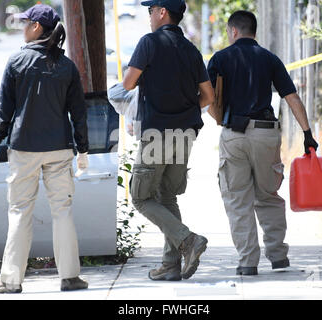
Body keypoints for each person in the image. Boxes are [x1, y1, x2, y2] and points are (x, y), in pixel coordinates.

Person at [0, 4, 89, 293]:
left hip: (24, 148)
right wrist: (83, 151)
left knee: (19, 211)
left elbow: (4, 109)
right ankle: (69, 277)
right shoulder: (66, 66)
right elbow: (78, 113)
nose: (22, 27)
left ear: (36, 28)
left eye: (26, 22)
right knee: (63, 211)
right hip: (59, 148)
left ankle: (11, 280)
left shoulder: (17, 60)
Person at [207, 10, 318, 276]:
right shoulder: (269, 58)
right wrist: (307, 133)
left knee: (237, 199)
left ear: (233, 31)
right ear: (253, 31)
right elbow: (292, 97)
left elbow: (207, 99)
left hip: (234, 135)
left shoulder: (220, 58)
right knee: (268, 196)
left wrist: (218, 119)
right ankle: (279, 257)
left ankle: (248, 262)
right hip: (266, 133)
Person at [123, 0, 215, 281]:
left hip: (157, 135)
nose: (149, 16)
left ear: (162, 12)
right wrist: (184, 110)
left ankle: (188, 240)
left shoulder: (149, 43)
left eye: (150, 10)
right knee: (167, 195)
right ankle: (171, 265)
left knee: (140, 197)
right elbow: (209, 97)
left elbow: (128, 83)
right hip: (185, 134)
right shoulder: (191, 49)